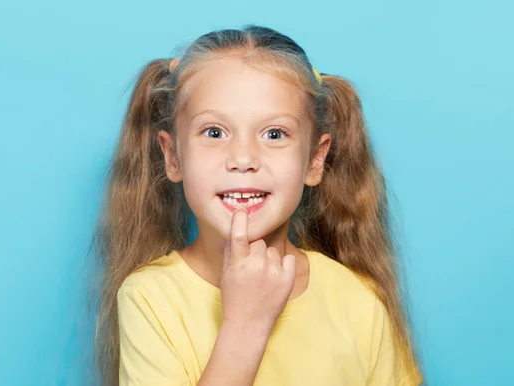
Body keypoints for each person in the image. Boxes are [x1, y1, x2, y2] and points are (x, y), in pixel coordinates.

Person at [93, 25, 422, 386]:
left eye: (274, 134)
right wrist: (245, 325)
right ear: (173, 156)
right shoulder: (150, 298)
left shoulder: (359, 299)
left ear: (315, 159)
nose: (244, 158)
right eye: (215, 132)